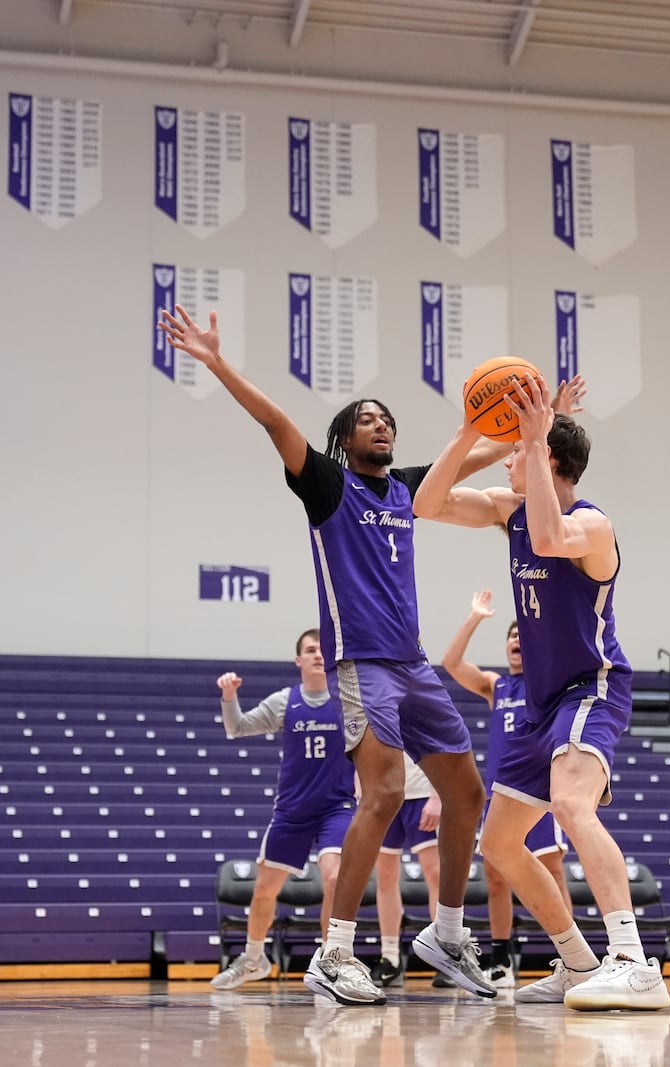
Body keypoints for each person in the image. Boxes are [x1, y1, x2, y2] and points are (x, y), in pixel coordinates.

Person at [159, 305, 522, 1005]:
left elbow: (472, 451)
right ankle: (334, 949)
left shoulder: (410, 488)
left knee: (467, 793)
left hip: (413, 664)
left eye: (387, 418)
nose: (381, 424)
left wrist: (528, 424)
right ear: (345, 439)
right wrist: (216, 362)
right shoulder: (328, 485)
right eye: (367, 418)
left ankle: (446, 934)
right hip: (361, 664)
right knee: (384, 793)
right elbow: (274, 424)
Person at [412, 373, 670, 1011]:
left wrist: (537, 431)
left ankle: (634, 963)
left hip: (592, 687)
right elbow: (426, 502)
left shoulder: (592, 525)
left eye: (516, 448)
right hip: (540, 703)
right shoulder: (513, 512)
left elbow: (553, 539)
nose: (505, 455)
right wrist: (472, 427)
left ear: (546, 458)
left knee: (572, 806)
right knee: (499, 844)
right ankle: (581, 965)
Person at [209, 629, 357, 991]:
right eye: (310, 650)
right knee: (263, 890)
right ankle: (254, 958)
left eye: (323, 649)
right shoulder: (285, 701)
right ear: (298, 661)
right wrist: (229, 696)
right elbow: (236, 728)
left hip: (336, 807)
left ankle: (330, 960)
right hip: (292, 809)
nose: (318, 655)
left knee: (335, 879)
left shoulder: (349, 700)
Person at [441, 589, 573, 988]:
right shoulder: (496, 686)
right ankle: (500, 961)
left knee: (551, 871)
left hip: (538, 791)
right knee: (496, 878)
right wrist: (475, 617)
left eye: (522, 636)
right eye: (511, 636)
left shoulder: (547, 686)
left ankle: (571, 957)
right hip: (500, 794)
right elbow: (451, 663)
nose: (516, 640)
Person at [368, 754, 442, 987]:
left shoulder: (426, 715)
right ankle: (390, 957)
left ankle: (445, 955)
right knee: (385, 877)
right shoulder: (373, 715)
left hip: (422, 793)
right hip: (385, 793)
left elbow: (444, 747)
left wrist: (438, 795)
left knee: (436, 874)